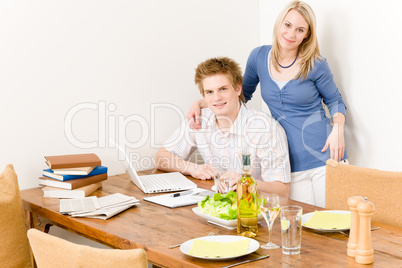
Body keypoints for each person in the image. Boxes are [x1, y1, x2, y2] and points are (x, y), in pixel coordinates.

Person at [186, 1, 347, 207]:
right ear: (279, 24)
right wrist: (202, 102)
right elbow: (240, 94)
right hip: (291, 163)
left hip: (326, 156)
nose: (291, 34)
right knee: (302, 229)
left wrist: (338, 129)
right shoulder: (259, 57)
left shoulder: (315, 63)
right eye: (287, 25)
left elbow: (335, 100)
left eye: (300, 30)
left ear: (307, 34)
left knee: (335, 227)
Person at [155, 57, 291, 197]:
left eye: (223, 89)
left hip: (253, 207)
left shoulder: (265, 128)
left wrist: (247, 182)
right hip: (217, 205)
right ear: (204, 95)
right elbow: (161, 158)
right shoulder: (200, 119)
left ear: (238, 89)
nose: (216, 98)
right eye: (210, 92)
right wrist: (193, 168)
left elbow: (282, 190)